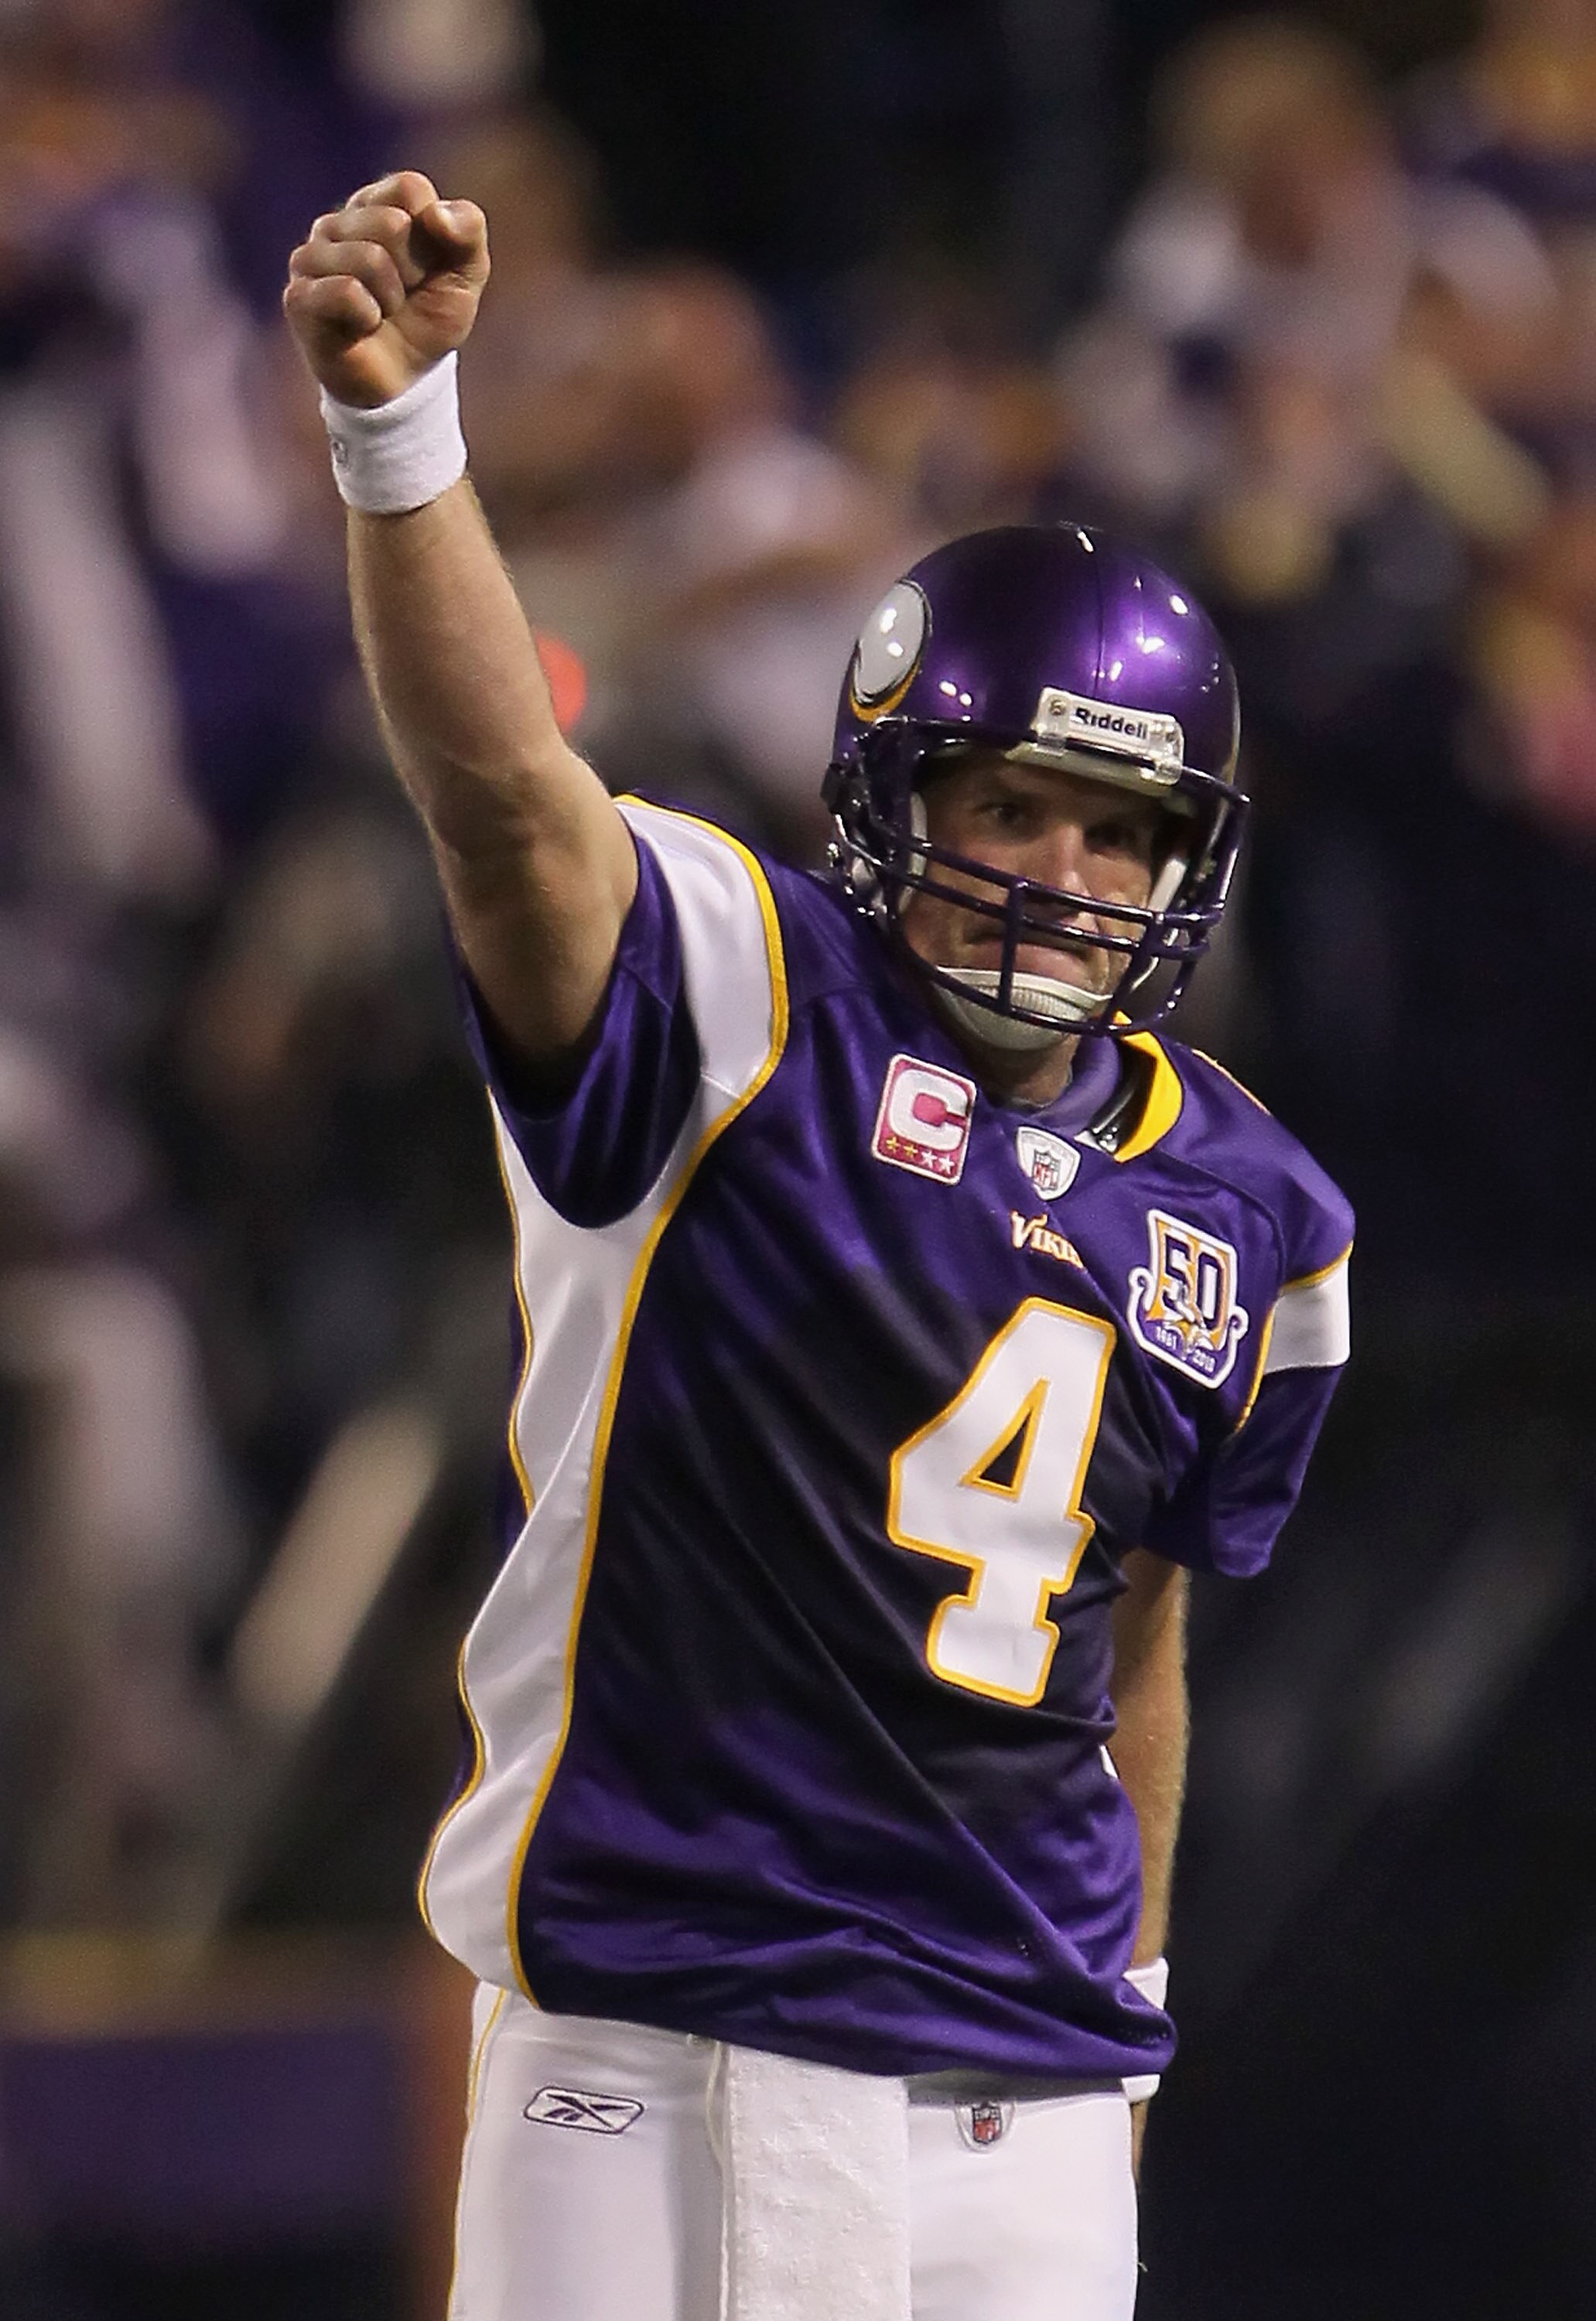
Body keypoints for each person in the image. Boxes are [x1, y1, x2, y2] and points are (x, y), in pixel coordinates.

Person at [284, 173, 1353, 2321]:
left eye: (1123, 828)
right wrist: (405, 443)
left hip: (1024, 2103)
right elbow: (503, 794)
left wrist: (1130, 1992)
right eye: (1016, 803)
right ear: (896, 798)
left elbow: (1132, 1647)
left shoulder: (1261, 1216)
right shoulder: (736, 988)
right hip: (660, 2058)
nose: (1066, 870)